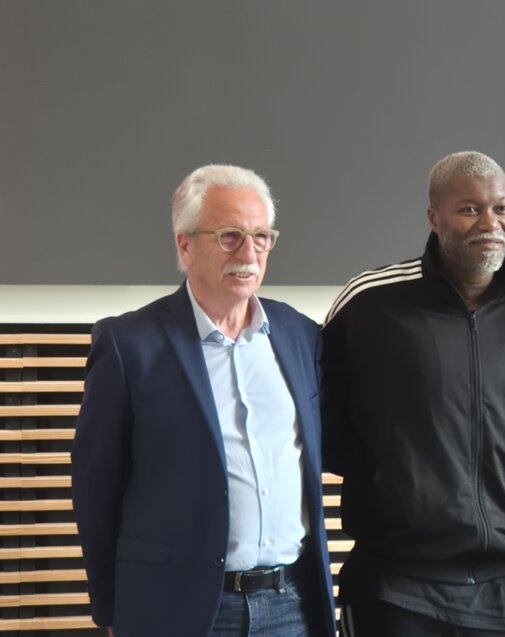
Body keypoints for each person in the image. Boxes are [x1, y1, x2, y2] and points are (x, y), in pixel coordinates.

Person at [71, 165, 335, 637]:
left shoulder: (299, 334)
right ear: (185, 244)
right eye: (231, 236)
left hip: (292, 604)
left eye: (261, 236)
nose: (249, 253)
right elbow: (96, 490)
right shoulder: (128, 344)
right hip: (178, 608)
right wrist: (110, 609)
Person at [321, 151, 505, 636]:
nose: (491, 223)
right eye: (470, 209)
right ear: (434, 218)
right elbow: (325, 418)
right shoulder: (371, 302)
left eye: (503, 208)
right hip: (397, 586)